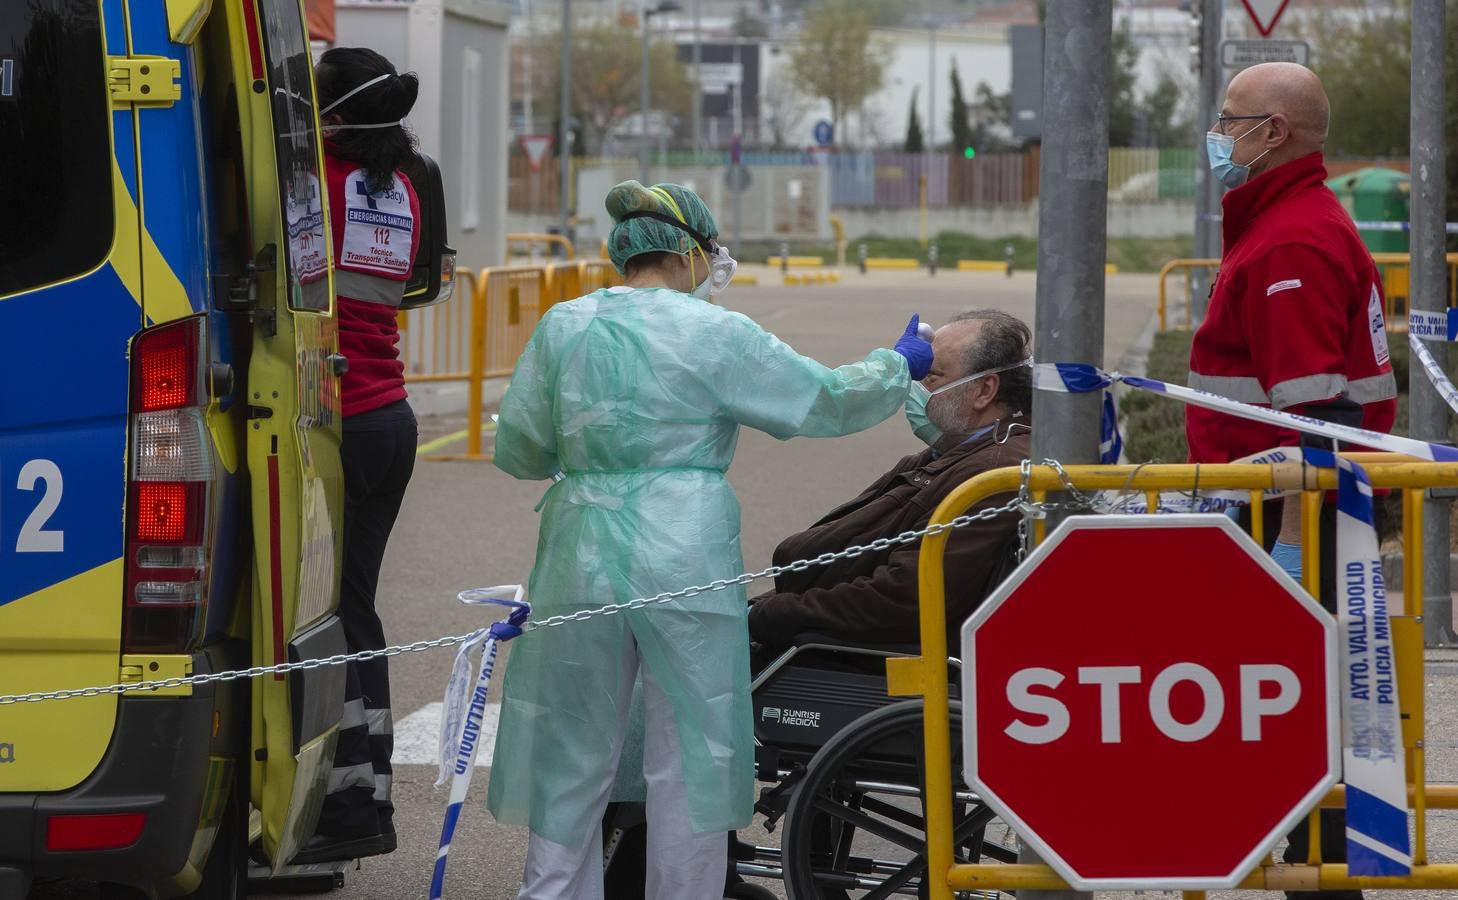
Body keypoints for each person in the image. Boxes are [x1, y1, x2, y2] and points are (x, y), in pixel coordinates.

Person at [487, 180, 933, 900]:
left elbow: (521, 449)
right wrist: (896, 364)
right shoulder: (715, 331)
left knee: (571, 751)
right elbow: (820, 398)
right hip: (683, 545)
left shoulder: (564, 324)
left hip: (580, 545)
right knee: (690, 753)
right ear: (692, 252)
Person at [1187, 62, 1396, 898]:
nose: (1218, 132)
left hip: (1291, 531)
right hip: (1288, 525)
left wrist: (1289, 562)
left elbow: (1309, 429)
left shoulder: (1292, 244)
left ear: (1272, 133)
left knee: (1303, 731)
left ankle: (1321, 875)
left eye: (1229, 118)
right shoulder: (1285, 225)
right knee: (1306, 728)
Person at [292, 47, 422, 864]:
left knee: (328, 616)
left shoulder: (320, 189)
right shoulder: (397, 190)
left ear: (330, 117)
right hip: (393, 421)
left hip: (340, 425)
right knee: (358, 610)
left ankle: (346, 807)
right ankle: (366, 797)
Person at [748, 310, 1032, 652]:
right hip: (814, 601)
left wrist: (775, 613)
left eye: (931, 376)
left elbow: (905, 596)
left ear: (984, 391)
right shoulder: (963, 449)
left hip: (866, 652)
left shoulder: (993, 474)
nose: (917, 387)